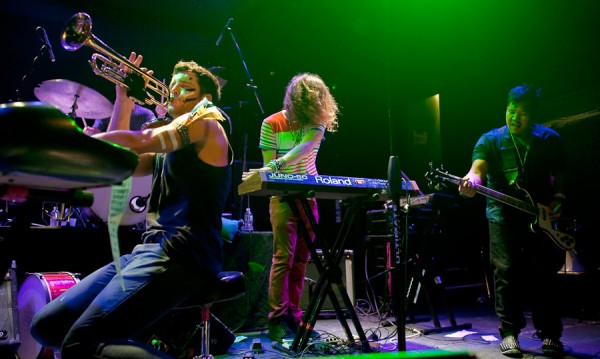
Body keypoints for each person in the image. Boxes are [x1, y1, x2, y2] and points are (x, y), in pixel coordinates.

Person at [29, 52, 232, 358]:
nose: (171, 91)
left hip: (185, 253)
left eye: (182, 87)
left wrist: (75, 141)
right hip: (150, 249)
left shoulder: (209, 122)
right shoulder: (172, 139)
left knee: (79, 344)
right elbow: (121, 164)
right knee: (47, 327)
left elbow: (140, 139)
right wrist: (124, 100)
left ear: (202, 97)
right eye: (170, 85)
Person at [458, 83, 567, 357]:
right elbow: (477, 170)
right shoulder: (491, 140)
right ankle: (509, 334)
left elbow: (561, 173)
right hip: (501, 216)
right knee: (505, 273)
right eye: (511, 110)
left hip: (540, 217)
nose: (515, 117)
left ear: (534, 114)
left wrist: (560, 198)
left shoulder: (549, 139)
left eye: (522, 113)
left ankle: (551, 335)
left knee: (545, 275)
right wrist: (471, 181)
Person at [241, 73, 339, 341]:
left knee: (301, 260)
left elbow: (306, 148)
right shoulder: (270, 123)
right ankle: (276, 320)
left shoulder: (316, 122)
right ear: (297, 100)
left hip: (308, 196)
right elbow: (269, 171)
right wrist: (271, 170)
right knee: (283, 258)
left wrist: (273, 166)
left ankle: (294, 317)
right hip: (282, 198)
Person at [82, 103, 157, 135]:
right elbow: (96, 130)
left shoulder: (145, 113)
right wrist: (90, 133)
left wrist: (161, 114)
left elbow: (156, 130)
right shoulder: (108, 112)